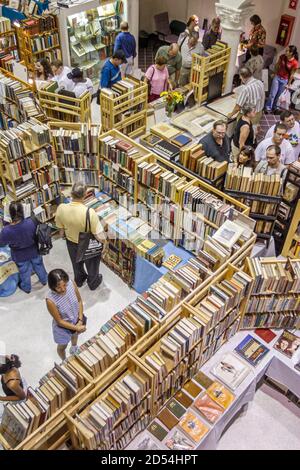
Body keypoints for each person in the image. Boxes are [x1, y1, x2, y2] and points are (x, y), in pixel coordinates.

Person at [55, 182, 106, 290]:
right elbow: (98, 235)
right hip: (87, 244)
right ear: (84, 195)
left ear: (71, 194)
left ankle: (79, 280)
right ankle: (93, 282)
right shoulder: (89, 212)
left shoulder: (61, 208)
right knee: (92, 266)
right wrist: (105, 243)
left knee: (76, 264)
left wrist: (64, 236)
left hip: (71, 242)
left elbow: (61, 231)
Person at [0, 202, 47, 294]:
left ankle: (26, 288)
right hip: (34, 250)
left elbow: (2, 243)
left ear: (10, 214)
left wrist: (6, 224)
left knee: (24, 271)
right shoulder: (31, 221)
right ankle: (44, 280)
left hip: (19, 255)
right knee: (39, 265)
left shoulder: (6, 230)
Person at [46, 269, 86, 360]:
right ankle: (64, 360)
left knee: (75, 335)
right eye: (58, 287)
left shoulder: (71, 284)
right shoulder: (50, 300)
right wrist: (76, 327)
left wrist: (79, 320)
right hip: (63, 328)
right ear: (52, 287)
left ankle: (74, 347)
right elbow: (59, 321)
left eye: (64, 285)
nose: (63, 289)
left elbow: (79, 301)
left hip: (76, 320)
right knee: (62, 346)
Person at [265, 45, 299, 113]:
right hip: (277, 77)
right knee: (272, 94)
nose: (285, 52)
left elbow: (292, 75)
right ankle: (268, 107)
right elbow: (277, 65)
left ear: (291, 53)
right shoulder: (283, 57)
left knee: (278, 95)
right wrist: (274, 73)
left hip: (284, 80)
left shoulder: (295, 63)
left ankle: (275, 107)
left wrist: (288, 85)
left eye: (287, 51)